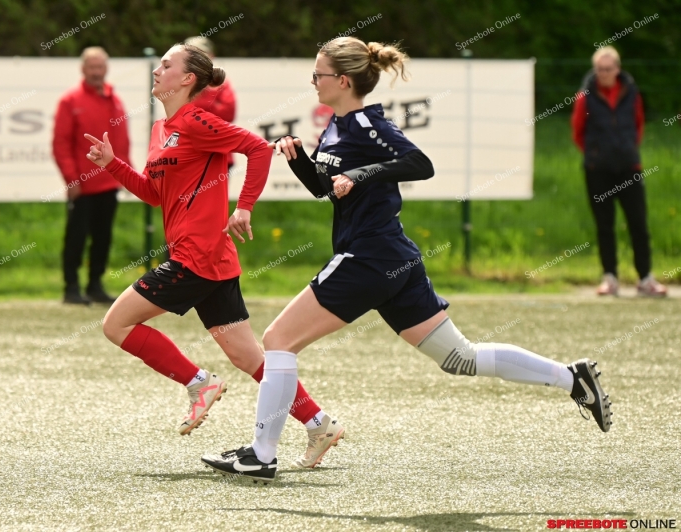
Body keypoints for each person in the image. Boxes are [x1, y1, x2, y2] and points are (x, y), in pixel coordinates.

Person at [202, 37, 612, 484]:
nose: (313, 81)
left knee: (278, 340)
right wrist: (300, 159)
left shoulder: (366, 123)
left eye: (319, 74)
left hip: (369, 256)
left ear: (344, 81)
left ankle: (261, 454)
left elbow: (420, 163)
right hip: (391, 258)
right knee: (459, 357)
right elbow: (325, 188)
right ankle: (572, 378)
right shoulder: (336, 126)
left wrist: (360, 173)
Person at [84, 43, 344, 467]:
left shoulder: (197, 120)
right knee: (248, 357)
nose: (157, 70)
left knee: (116, 324)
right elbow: (154, 194)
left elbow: (257, 149)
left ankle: (198, 382)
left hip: (196, 257)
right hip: (212, 260)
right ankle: (318, 423)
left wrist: (244, 207)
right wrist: (113, 163)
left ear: (187, 79)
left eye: (166, 64)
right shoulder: (161, 127)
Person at [571, 46, 667, 297]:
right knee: (605, 225)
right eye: (600, 69)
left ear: (617, 69)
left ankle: (645, 278)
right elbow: (578, 131)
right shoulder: (585, 97)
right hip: (597, 169)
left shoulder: (632, 94)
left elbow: (638, 125)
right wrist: (596, 154)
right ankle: (610, 278)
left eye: (608, 69)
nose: (604, 73)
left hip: (629, 167)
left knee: (638, 224)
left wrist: (627, 151)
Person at [52, 46, 131, 305]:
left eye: (100, 67)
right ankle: (71, 287)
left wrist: (127, 174)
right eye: (92, 67)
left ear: (106, 69)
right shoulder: (70, 101)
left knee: (103, 237)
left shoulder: (114, 99)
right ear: (83, 69)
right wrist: (71, 178)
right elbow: (61, 144)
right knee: (76, 237)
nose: (96, 72)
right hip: (82, 185)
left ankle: (95, 285)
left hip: (109, 182)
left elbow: (121, 141)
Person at [183, 36, 238, 171]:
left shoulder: (220, 81)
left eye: (202, 54)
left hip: (218, 153)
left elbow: (228, 113)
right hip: (187, 153)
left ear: (211, 56)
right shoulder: (180, 82)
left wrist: (200, 100)